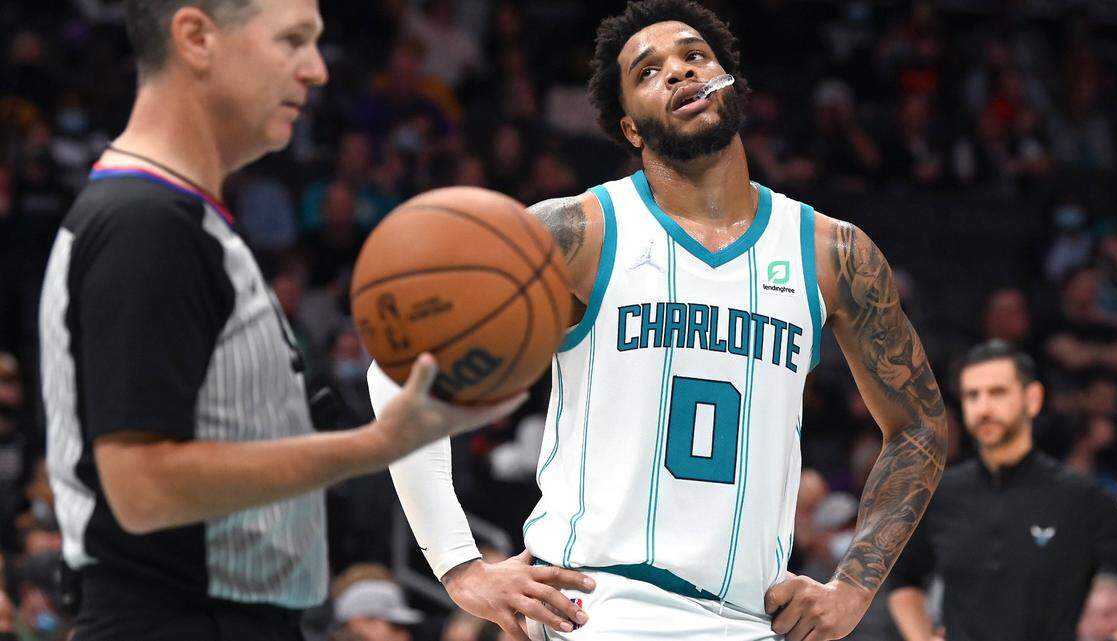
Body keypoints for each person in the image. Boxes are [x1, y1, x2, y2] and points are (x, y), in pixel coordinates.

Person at [370, 1, 949, 640]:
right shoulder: (575, 231)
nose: (677, 72)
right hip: (597, 607)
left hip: (749, 618)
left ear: (733, 87)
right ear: (631, 129)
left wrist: (855, 586)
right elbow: (398, 366)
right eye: (648, 72)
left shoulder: (832, 252)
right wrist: (458, 564)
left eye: (694, 56)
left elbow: (919, 424)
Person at [36, 2, 525, 640]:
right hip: (176, 621)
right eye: (293, 41)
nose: (317, 70)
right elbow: (142, 488)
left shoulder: (184, 222)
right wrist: (375, 446)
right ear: (196, 38)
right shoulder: (145, 225)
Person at [887, 340, 1117, 641]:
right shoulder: (942, 496)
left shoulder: (1077, 496)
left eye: (997, 393)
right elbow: (902, 578)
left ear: (1032, 399)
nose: (983, 408)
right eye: (972, 396)